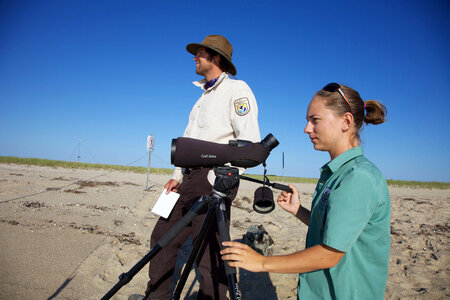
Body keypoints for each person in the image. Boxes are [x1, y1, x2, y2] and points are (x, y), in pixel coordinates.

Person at [221, 83, 390, 299]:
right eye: (307, 120)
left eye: (315, 120)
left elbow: (330, 254)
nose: (307, 128)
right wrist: (298, 210)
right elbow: (335, 230)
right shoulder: (334, 173)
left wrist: (261, 262)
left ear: (346, 121)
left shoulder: (358, 177)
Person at [143, 35, 261, 300]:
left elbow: (250, 143)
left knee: (209, 258)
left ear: (216, 58)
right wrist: (176, 176)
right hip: (186, 180)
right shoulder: (201, 99)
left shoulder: (237, 90)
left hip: (212, 180)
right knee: (162, 240)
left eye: (200, 53)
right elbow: (188, 141)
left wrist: (218, 179)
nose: (194, 57)